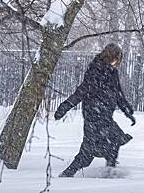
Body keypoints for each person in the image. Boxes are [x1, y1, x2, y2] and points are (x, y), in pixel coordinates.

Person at [54, 43, 136, 177]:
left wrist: (127, 111)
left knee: (112, 141)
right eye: (117, 58)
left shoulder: (111, 72)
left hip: (104, 116)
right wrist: (65, 107)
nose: (117, 62)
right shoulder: (95, 70)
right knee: (90, 149)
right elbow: (82, 91)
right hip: (94, 115)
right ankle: (69, 173)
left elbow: (117, 93)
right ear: (111, 56)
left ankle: (110, 170)